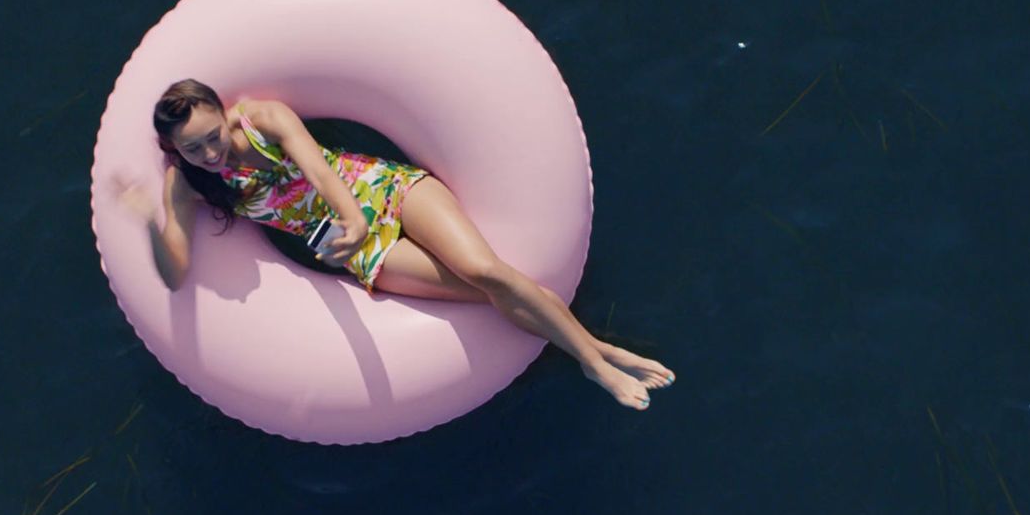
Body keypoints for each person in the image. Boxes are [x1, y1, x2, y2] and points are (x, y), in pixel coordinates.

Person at [110, 78, 674, 410]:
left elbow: (322, 172)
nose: (211, 154)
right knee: (482, 295)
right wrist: (147, 222)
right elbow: (176, 272)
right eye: (193, 149)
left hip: (374, 189)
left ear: (223, 115)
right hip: (354, 247)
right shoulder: (186, 185)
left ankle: (596, 362)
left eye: (212, 139)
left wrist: (354, 217)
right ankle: (597, 350)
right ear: (173, 148)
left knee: (486, 271)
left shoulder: (262, 118)